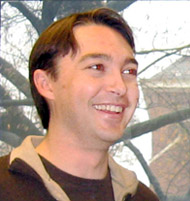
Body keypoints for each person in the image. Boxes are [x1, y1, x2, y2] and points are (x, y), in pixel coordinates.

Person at [0, 8, 159, 201]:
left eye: (129, 71)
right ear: (46, 84)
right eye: (97, 67)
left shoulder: (143, 198)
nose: (120, 87)